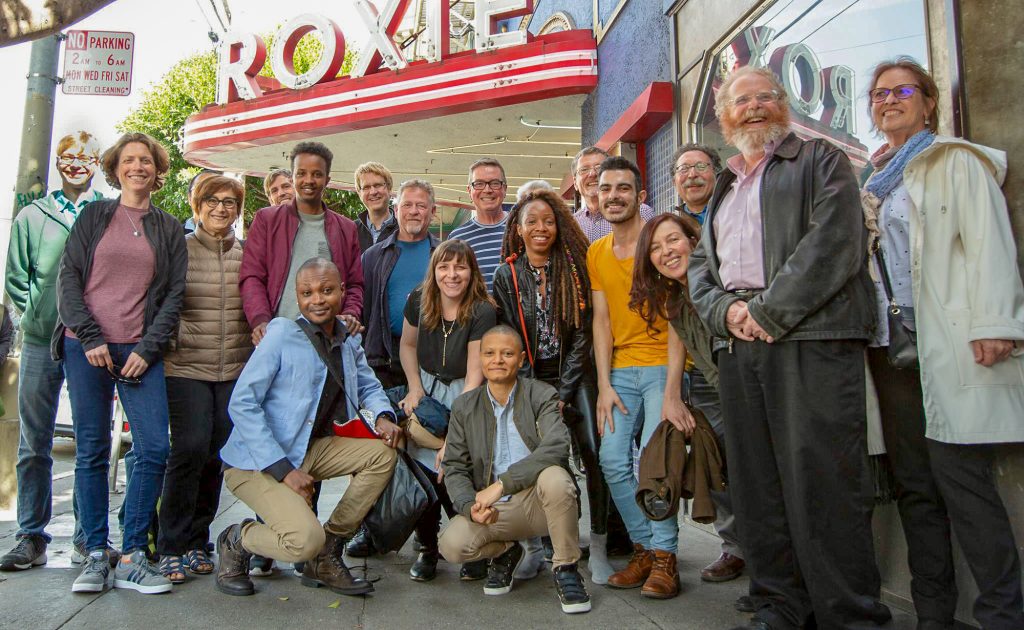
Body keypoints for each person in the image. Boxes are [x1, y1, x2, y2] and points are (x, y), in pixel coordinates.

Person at [688, 65, 889, 630]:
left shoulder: (822, 161)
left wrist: (766, 312)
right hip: (740, 346)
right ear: (725, 116)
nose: (755, 107)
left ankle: (850, 615)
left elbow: (834, 244)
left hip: (810, 339)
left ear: (785, 105)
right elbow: (703, 268)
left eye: (766, 97)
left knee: (824, 483)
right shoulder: (725, 184)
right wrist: (727, 312)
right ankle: (781, 606)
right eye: (742, 100)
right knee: (758, 486)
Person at [862, 58, 1024, 630]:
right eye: (878, 95)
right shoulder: (872, 180)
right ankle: (935, 615)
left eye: (902, 91)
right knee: (916, 490)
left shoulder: (953, 161)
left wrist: (996, 323)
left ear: (929, 102)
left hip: (950, 342)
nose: (888, 101)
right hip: (892, 351)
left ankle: (1002, 615)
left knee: (964, 485)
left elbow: (989, 241)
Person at [215, 259, 400, 598]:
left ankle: (329, 551)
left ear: (342, 292)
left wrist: (384, 415)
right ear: (297, 297)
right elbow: (241, 402)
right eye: (307, 292)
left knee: (382, 453)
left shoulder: (347, 340)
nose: (317, 299)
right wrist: (285, 471)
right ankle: (237, 538)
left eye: (327, 290)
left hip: (309, 450)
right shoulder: (281, 334)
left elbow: (369, 386)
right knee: (302, 541)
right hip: (255, 462)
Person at [56, 132, 187, 595]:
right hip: (84, 347)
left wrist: (146, 349)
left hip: (139, 352)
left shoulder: (169, 227)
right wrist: (90, 337)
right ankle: (95, 552)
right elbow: (68, 278)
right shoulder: (94, 216)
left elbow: (173, 296)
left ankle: (132, 553)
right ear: (115, 169)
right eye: (129, 160)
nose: (138, 167)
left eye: (146, 160)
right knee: (91, 451)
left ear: (157, 169)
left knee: (154, 448)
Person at [492, 189, 613, 584]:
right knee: (540, 461)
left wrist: (562, 393)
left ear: (558, 225)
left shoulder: (575, 269)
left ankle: (598, 546)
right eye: (532, 221)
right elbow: (510, 335)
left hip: (575, 376)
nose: (541, 227)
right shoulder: (507, 274)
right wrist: (536, 394)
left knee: (595, 455)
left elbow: (580, 335)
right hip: (530, 378)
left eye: (548, 220)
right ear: (519, 229)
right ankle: (543, 546)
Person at [1, 131, 108, 572]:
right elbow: (17, 277)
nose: (77, 163)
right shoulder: (32, 215)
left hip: (91, 342)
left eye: (86, 157)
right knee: (34, 441)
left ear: (97, 162)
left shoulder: (107, 213)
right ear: (58, 162)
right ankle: (31, 534)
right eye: (69, 156)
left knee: (90, 442)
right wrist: (36, 321)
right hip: (43, 342)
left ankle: (87, 537)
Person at [588, 156, 690, 599]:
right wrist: (603, 385)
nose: (613, 196)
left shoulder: (658, 243)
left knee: (655, 467)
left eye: (623, 188)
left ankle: (666, 559)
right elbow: (601, 322)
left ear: (640, 195)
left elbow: (677, 319)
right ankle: (644, 548)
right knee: (611, 460)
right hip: (619, 374)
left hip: (662, 370)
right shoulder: (596, 252)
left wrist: (672, 391)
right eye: (605, 188)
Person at [439, 325, 592, 614]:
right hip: (495, 511)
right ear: (480, 359)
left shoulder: (541, 394)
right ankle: (508, 552)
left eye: (507, 353)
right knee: (451, 545)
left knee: (556, 477)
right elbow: (455, 465)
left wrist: (501, 484)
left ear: (521, 359)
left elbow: (557, 444)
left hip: (541, 503)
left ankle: (567, 568)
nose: (498, 360)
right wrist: (470, 506)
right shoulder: (464, 406)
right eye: (490, 353)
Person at [628, 213, 746, 586]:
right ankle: (738, 549)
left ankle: (779, 566)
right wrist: (672, 394)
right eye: (656, 248)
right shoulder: (673, 296)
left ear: (693, 240)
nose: (666, 252)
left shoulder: (723, 274)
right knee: (717, 465)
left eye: (673, 240)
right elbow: (676, 338)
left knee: (758, 472)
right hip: (710, 384)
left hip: (748, 387)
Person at [155, 175, 253, 583]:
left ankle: (198, 540)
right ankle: (169, 544)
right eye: (211, 200)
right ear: (196, 205)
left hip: (232, 368)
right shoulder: (179, 249)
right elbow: (158, 299)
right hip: (185, 367)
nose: (220, 207)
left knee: (215, 454)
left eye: (230, 202)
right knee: (189, 448)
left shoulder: (247, 255)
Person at [346, 178, 438, 559]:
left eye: (422, 206)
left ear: (432, 212)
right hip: (382, 366)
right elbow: (362, 312)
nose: (414, 211)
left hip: (431, 366)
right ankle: (371, 530)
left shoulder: (443, 254)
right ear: (396, 209)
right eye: (408, 205)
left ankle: (427, 541)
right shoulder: (374, 256)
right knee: (374, 450)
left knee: (424, 452)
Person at [398, 239, 497, 582]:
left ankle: (472, 546)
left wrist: (453, 436)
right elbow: (407, 345)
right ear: (434, 270)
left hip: (466, 393)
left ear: (472, 271)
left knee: (458, 468)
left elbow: (474, 374)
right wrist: (414, 387)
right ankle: (427, 546)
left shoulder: (483, 310)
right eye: (444, 267)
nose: (452, 275)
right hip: (426, 386)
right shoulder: (418, 299)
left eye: (460, 267)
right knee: (422, 471)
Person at [240, 141, 364, 346]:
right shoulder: (267, 220)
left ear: (327, 179)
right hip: (277, 336)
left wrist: (350, 313)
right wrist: (260, 320)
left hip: (328, 339)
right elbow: (252, 276)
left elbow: (354, 283)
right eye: (301, 173)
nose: (309, 180)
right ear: (293, 176)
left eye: (317, 174)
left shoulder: (346, 228)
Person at [447, 158, 509, 290]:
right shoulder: (456, 238)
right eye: (479, 184)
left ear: (504, 189)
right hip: (475, 311)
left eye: (495, 183)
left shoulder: (522, 228)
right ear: (469, 191)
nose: (487, 190)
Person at [571, 146, 654, 243]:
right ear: (575, 183)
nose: (592, 174)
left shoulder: (642, 212)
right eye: (584, 169)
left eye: (599, 168)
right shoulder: (571, 225)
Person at [671, 143, 721, 226]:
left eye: (701, 166)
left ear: (716, 175)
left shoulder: (733, 212)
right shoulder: (672, 226)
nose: (692, 175)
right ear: (674, 182)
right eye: (684, 168)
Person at [354, 161, 398, 252]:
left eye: (377, 185)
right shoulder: (350, 231)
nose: (373, 192)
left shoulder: (404, 232)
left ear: (389, 189)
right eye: (366, 187)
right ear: (359, 193)